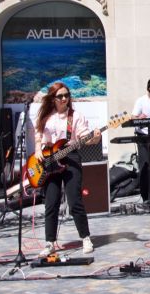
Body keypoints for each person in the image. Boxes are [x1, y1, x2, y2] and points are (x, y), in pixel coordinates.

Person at [34, 82, 101, 257]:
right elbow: (38, 134)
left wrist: (94, 138)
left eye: (67, 95)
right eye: (60, 96)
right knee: (51, 202)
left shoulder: (76, 116)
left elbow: (85, 137)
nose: (64, 99)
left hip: (70, 158)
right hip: (50, 159)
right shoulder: (46, 116)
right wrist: (38, 149)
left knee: (75, 200)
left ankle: (85, 238)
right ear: (53, 98)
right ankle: (49, 243)